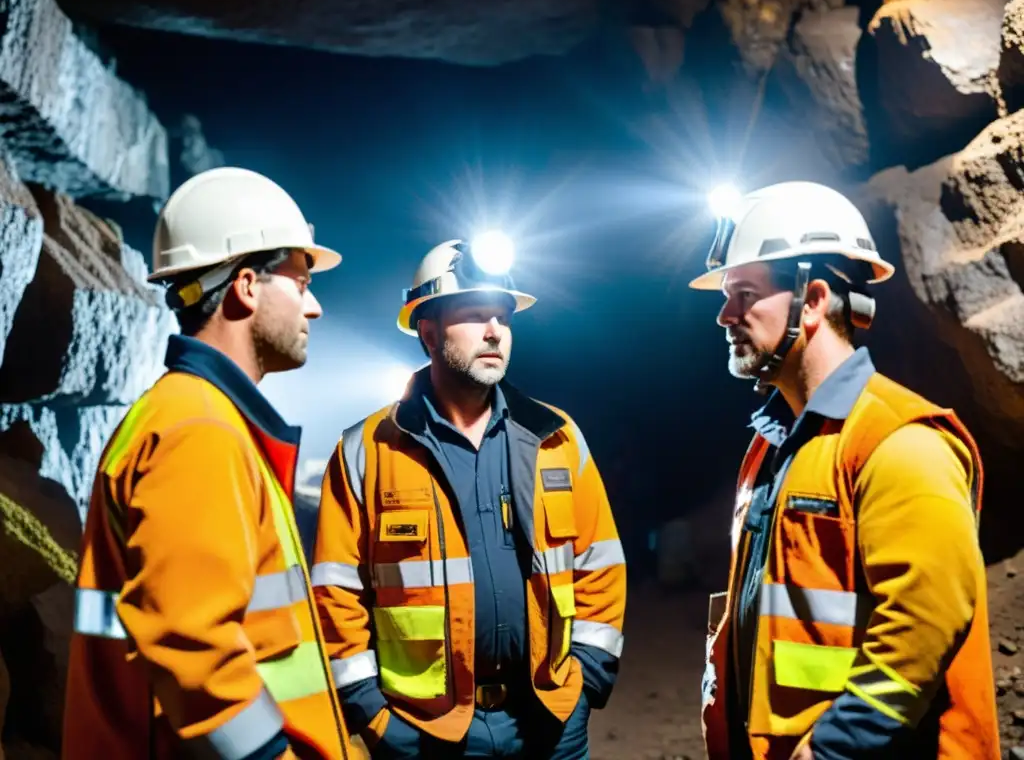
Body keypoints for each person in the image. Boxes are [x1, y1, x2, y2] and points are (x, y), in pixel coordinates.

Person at [691, 180, 1001, 760]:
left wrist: (830, 749)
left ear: (811, 301)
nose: (725, 315)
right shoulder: (772, 445)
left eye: (744, 294)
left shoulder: (898, 441)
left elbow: (920, 626)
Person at [63, 166, 357, 760]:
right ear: (247, 286)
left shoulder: (189, 413)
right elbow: (192, 644)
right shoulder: (198, 430)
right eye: (301, 284)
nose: (315, 307)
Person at [311, 235, 627, 758]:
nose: (494, 332)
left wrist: (587, 680)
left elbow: (601, 562)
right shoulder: (367, 450)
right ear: (428, 333)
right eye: (475, 314)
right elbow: (335, 590)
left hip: (548, 718)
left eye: (503, 317)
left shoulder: (556, 436)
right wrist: (372, 712)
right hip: (426, 731)